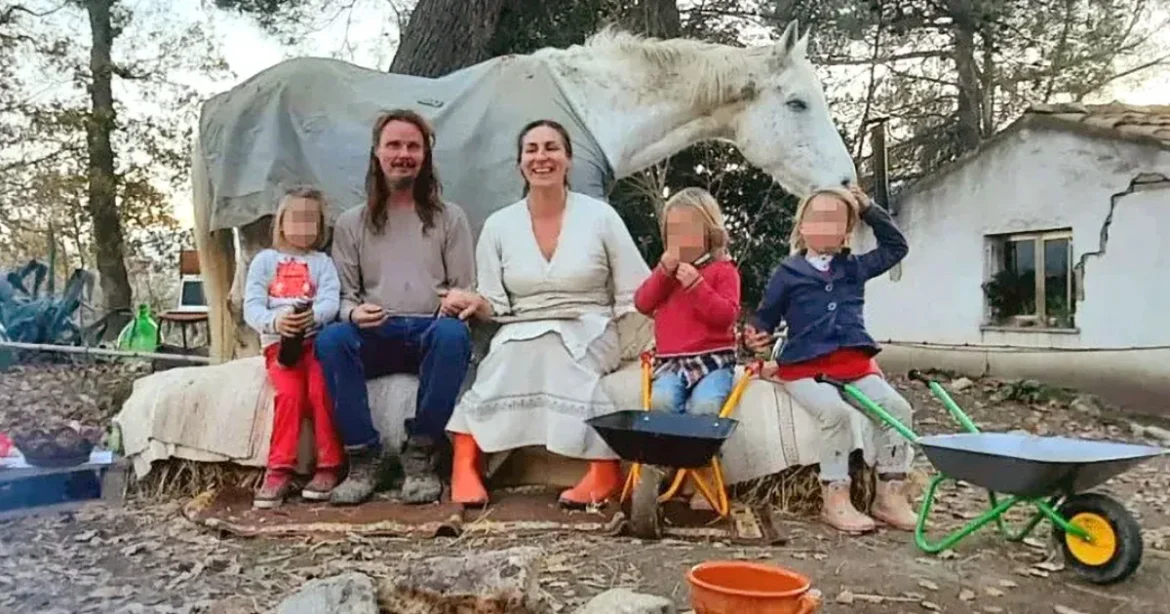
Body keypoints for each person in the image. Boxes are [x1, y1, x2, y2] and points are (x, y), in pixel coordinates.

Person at [442, 119, 651, 509]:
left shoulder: (601, 216)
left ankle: (603, 467)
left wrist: (644, 341)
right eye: (532, 149)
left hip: (591, 325)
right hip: (520, 327)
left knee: (554, 345)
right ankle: (465, 462)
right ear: (520, 162)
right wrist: (472, 302)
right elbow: (494, 302)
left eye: (552, 148)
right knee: (507, 354)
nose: (542, 157)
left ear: (568, 159)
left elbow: (635, 290)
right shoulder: (498, 225)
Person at [315, 109, 477, 506]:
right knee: (332, 339)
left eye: (413, 146)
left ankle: (421, 454)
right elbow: (343, 296)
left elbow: (464, 288)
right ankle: (363, 457)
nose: (403, 154)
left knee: (454, 334)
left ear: (425, 155)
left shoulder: (450, 218)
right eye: (394, 145)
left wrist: (455, 302)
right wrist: (353, 313)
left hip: (429, 332)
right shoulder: (351, 223)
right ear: (377, 152)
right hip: (376, 332)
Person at [743, 185, 917, 534]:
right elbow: (765, 318)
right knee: (834, 413)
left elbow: (896, 247)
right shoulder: (787, 273)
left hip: (853, 364)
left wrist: (869, 209)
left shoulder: (854, 267)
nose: (825, 226)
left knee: (898, 411)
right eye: (817, 218)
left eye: (835, 220)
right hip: (804, 368)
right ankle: (835, 497)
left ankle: (890, 496)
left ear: (847, 232)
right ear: (802, 226)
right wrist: (755, 337)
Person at [243, 186, 343, 509]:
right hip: (280, 345)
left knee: (320, 390)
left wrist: (313, 316)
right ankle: (279, 469)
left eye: (311, 220)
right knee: (289, 395)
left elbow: (331, 300)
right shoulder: (264, 261)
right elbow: (252, 306)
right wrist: (276, 322)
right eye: (296, 218)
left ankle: (329, 465)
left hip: (315, 342)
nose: (303, 226)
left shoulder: (323, 263)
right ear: (281, 223)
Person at [633, 187, 741, 416]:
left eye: (688, 231)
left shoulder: (723, 270)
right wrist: (663, 272)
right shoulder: (667, 275)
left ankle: (701, 441)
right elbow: (642, 303)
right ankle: (668, 441)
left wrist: (697, 287)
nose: (680, 240)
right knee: (661, 402)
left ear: (710, 234)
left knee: (705, 406)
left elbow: (726, 317)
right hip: (671, 362)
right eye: (673, 232)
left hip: (713, 359)